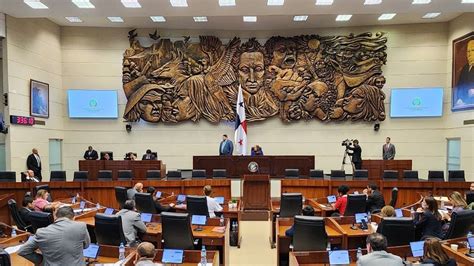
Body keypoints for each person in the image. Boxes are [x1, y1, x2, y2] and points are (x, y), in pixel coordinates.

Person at [18, 206, 91, 265]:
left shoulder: (41, 232)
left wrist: (42, 261)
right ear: (73, 217)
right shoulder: (81, 226)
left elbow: (23, 251)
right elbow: (86, 246)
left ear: (55, 217)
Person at [454, 39, 474, 106]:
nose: (469, 54)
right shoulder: (465, 68)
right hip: (465, 104)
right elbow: (459, 87)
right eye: (468, 51)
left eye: (472, 50)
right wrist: (460, 99)